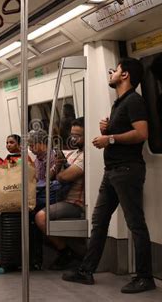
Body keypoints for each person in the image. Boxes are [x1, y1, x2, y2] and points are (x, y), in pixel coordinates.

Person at [63, 57, 155, 294]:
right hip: (113, 171)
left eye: (116, 70)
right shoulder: (119, 103)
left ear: (125, 76)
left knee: (135, 223)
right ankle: (86, 270)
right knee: (99, 220)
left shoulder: (134, 101)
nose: (112, 73)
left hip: (127, 170)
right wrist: (109, 129)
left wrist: (110, 138)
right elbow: (126, 131)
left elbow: (142, 133)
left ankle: (145, 277)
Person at [35, 117, 85, 270]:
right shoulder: (71, 154)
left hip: (74, 202)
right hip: (60, 197)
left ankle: (66, 252)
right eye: (72, 135)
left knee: (40, 217)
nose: (73, 138)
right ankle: (34, 255)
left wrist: (60, 170)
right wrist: (57, 166)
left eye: (78, 135)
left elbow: (64, 177)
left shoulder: (85, 157)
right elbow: (49, 177)